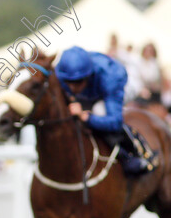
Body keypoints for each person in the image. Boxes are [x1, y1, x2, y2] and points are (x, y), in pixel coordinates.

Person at [55, 46, 154, 175]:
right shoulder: (61, 74)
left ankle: (133, 156)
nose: (73, 87)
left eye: (78, 82)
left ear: (88, 76)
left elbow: (115, 121)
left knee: (99, 110)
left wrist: (87, 117)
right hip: (93, 90)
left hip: (124, 83)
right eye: (69, 82)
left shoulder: (110, 78)